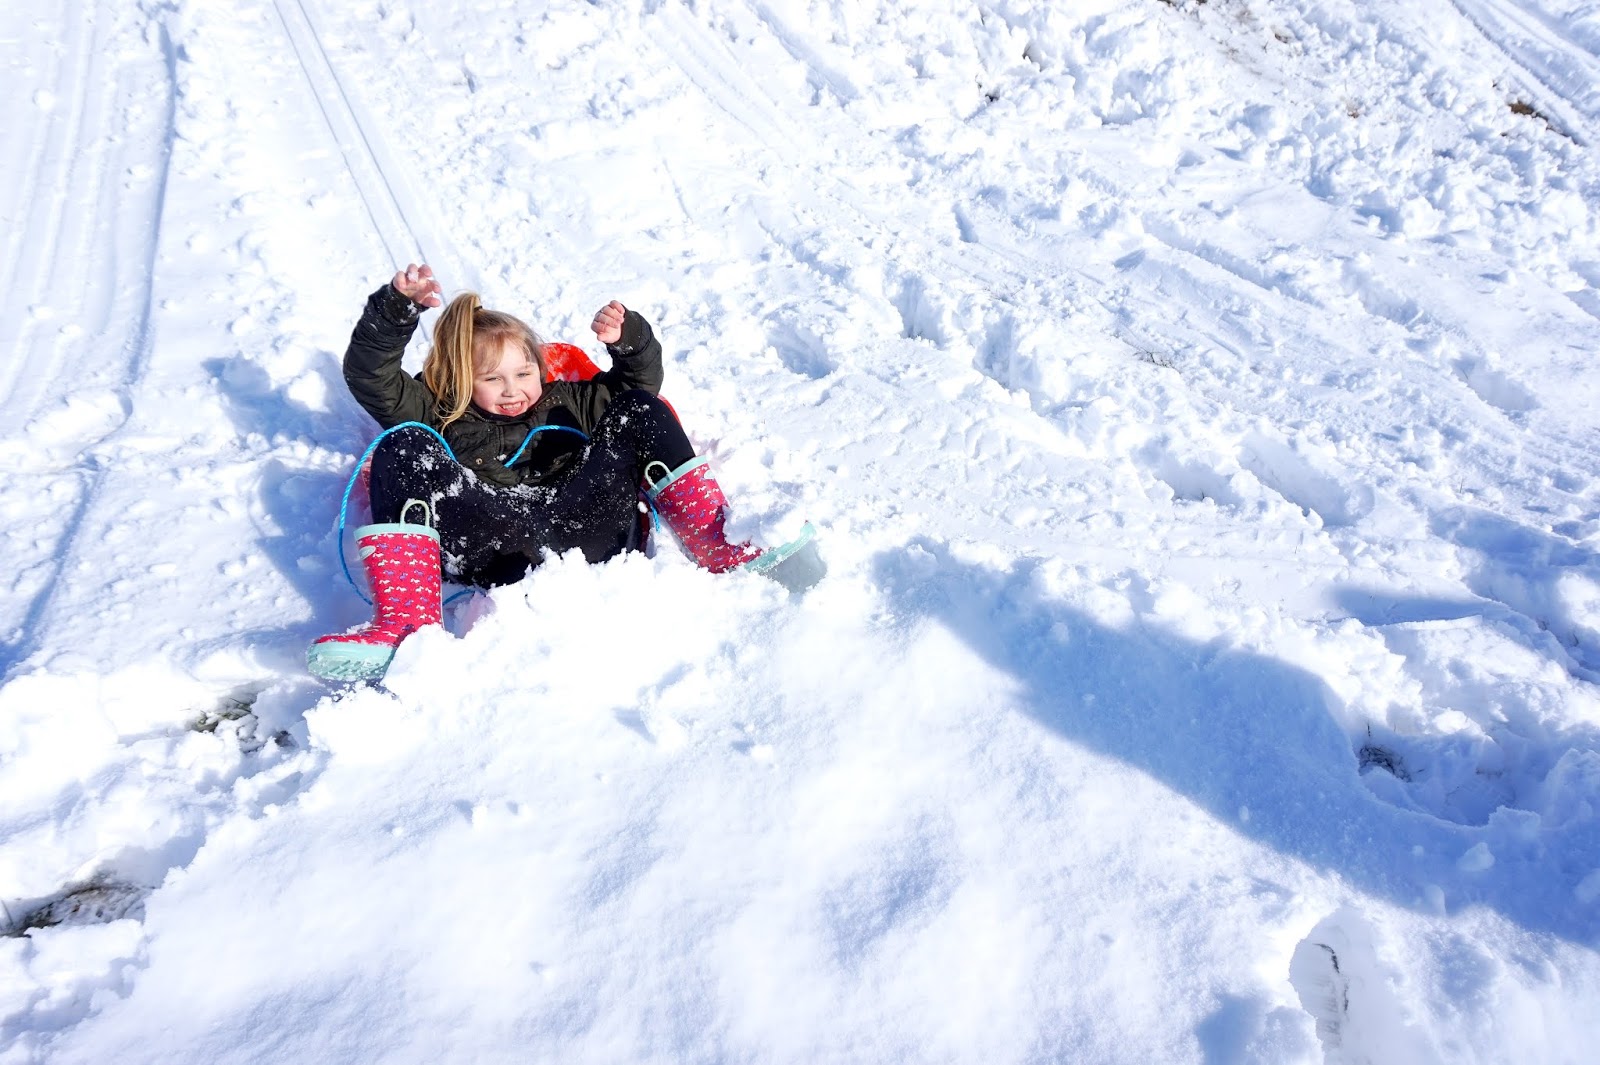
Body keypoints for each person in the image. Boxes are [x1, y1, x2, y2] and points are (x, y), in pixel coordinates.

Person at [307, 263, 813, 680]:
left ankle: (715, 544)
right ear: (459, 379)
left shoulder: (568, 401)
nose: (513, 389)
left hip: (586, 524)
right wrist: (395, 311)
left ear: (540, 366)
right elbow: (371, 376)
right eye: (492, 379)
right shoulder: (440, 412)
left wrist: (629, 339)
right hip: (492, 544)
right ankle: (407, 628)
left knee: (639, 407)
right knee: (403, 444)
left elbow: (637, 386)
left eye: (523, 372)